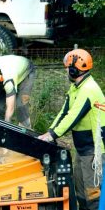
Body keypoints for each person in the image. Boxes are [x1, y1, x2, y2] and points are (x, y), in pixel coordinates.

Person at [38, 49, 105, 210]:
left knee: (93, 193)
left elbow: (72, 117)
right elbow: (64, 112)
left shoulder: (88, 89)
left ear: (75, 69)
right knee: (80, 189)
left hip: (94, 150)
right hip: (82, 148)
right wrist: (50, 132)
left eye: (68, 67)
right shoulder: (76, 88)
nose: (66, 70)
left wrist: (53, 135)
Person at [0, 54, 35, 128]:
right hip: (9, 70)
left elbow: (10, 107)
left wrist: (6, 126)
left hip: (26, 72)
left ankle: (25, 131)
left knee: (21, 105)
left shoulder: (8, 80)